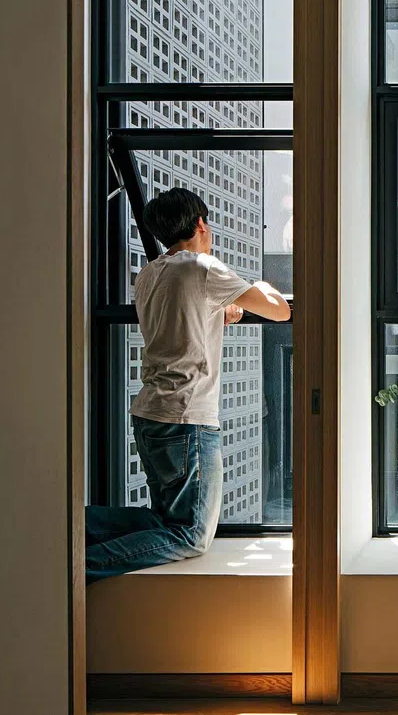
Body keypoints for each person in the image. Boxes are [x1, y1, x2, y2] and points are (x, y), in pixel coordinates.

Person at [85, 188, 291, 584]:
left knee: (163, 519)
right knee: (191, 535)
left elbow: (184, 319)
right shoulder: (202, 267)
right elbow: (278, 311)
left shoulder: (150, 273)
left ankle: (77, 526)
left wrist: (224, 307)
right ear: (200, 223)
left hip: (151, 413)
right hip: (186, 418)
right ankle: (77, 566)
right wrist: (262, 284)